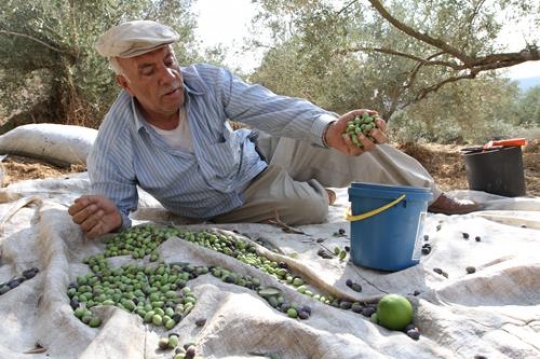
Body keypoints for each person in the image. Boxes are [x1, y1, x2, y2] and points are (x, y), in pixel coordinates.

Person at [68, 20, 479, 239]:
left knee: (336, 136)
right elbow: (115, 207)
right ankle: (324, 192)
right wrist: (112, 218)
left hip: (255, 153)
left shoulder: (207, 81)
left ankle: (431, 194)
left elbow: (271, 108)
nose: (169, 76)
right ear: (125, 83)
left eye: (169, 60)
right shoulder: (114, 141)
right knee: (313, 209)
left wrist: (330, 128)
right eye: (149, 70)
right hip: (229, 202)